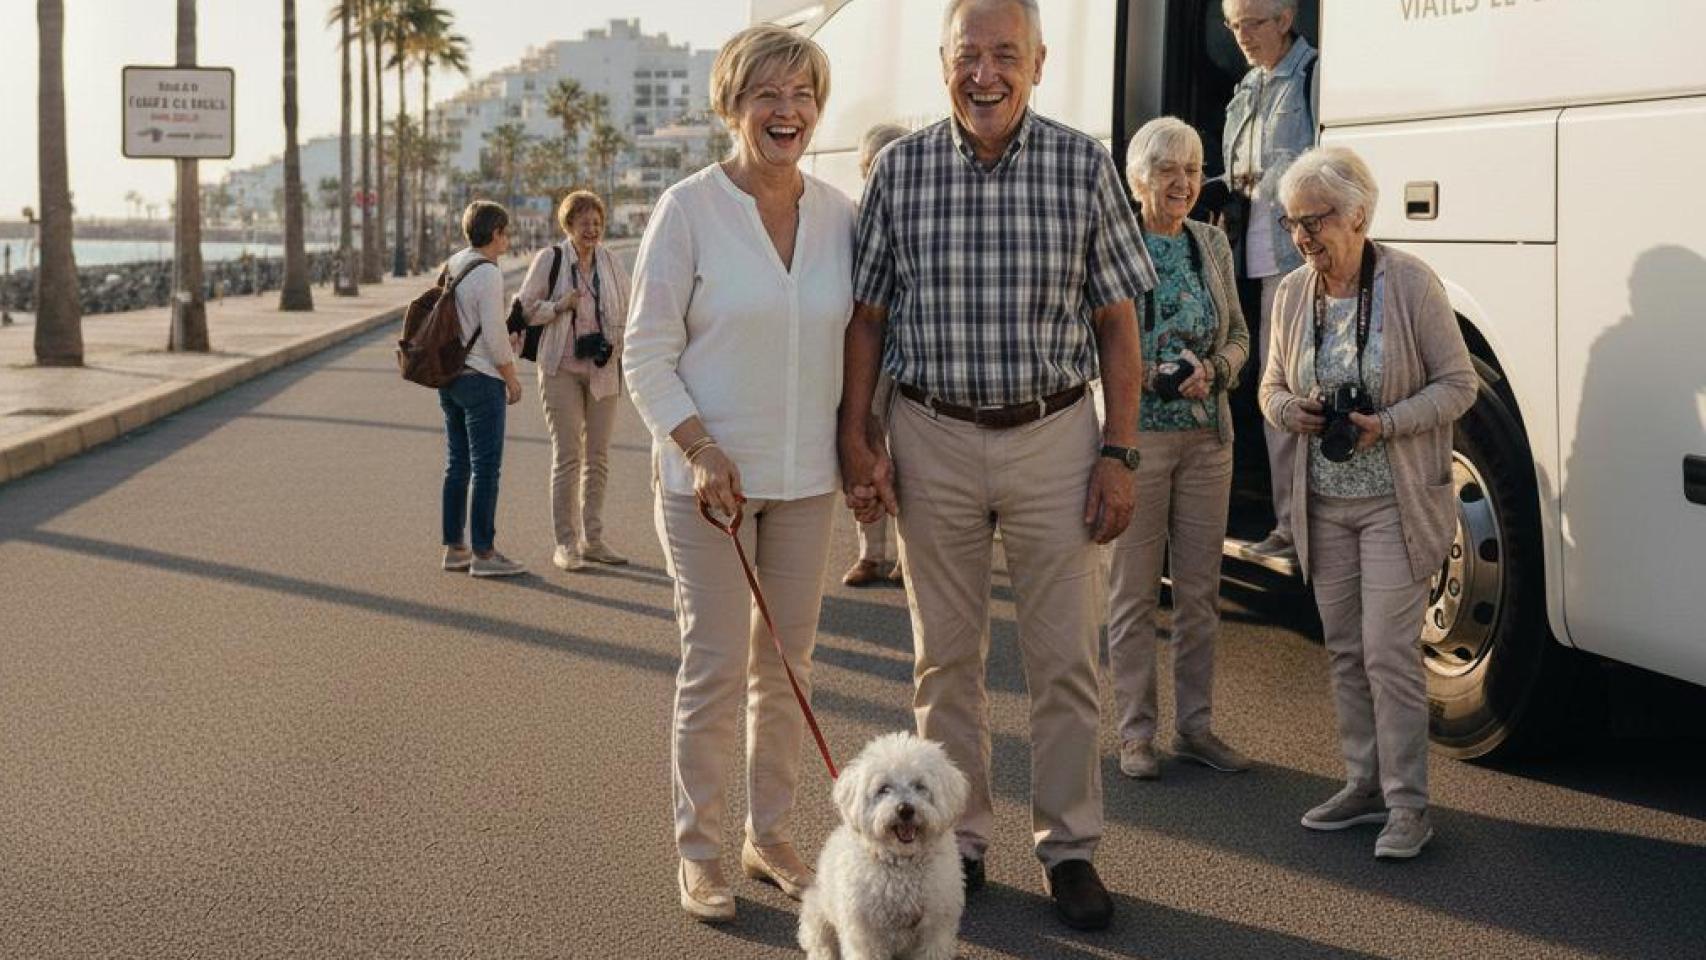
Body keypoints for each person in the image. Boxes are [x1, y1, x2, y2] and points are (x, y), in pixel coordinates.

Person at [838, 0, 1155, 931]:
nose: (986, 73)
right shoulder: (899, 170)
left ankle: (1070, 850)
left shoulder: (1084, 164)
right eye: (967, 54)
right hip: (930, 434)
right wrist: (858, 437)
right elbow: (868, 320)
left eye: (1004, 55)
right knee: (947, 660)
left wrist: (1118, 452)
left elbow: (1116, 327)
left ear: (1040, 63)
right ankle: (960, 843)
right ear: (942, 64)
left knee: (1064, 661)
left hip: (1054, 436)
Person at [623, 25, 854, 923]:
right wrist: (697, 447)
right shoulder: (687, 209)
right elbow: (646, 351)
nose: (785, 110)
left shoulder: (840, 212)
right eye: (766, 93)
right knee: (716, 668)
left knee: (786, 667)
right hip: (706, 483)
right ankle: (701, 852)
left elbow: (857, 338)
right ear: (733, 105)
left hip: (805, 481)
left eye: (800, 93)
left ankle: (772, 834)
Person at [1259, 145, 1475, 860]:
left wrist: (1388, 423)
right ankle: (1363, 784)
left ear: (1357, 214)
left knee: (1388, 654)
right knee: (1346, 652)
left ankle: (1410, 807)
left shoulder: (1411, 284)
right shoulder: (1293, 293)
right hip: (1323, 500)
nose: (1302, 237)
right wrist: (1295, 412)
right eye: (1292, 223)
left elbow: (1458, 384)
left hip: (1394, 500)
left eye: (1313, 220)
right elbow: (1268, 388)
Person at [1106, 117, 1251, 781]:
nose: (1184, 184)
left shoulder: (1211, 243)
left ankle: (1196, 727)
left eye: (1192, 171)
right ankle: (1136, 734)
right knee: (1133, 595)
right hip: (1138, 441)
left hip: (1206, 439)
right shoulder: (1115, 242)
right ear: (1139, 178)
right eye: (1169, 172)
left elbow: (1242, 337)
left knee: (1199, 592)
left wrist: (1214, 371)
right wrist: (1135, 372)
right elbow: (1094, 336)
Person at [1218, 0, 1318, 564]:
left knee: (1292, 392)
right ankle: (1288, 521)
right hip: (1249, 261)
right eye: (1233, 26)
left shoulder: (1310, 75)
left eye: (1252, 23)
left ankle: (1297, 527)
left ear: (1285, 18)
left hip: (1294, 259)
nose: (1241, 36)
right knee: (1271, 393)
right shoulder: (1247, 88)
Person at [516, 190, 632, 572]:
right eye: (585, 224)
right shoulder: (550, 260)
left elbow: (632, 309)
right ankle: (565, 543)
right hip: (560, 368)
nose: (592, 229)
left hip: (602, 368)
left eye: (597, 223)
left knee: (597, 458)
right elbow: (523, 312)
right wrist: (558, 306)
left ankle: (593, 539)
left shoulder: (612, 264)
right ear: (568, 226)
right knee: (568, 456)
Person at [439, 200, 525, 578]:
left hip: (451, 376)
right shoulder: (489, 273)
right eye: (506, 232)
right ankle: (485, 554)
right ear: (496, 234)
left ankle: (455, 548)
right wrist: (512, 377)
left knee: (457, 464)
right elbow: (494, 334)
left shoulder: (455, 263)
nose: (508, 239)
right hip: (481, 379)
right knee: (486, 469)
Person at [841, 121, 910, 587]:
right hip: (861, 351)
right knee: (864, 445)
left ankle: (909, 554)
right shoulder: (846, 217)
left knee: (909, 455)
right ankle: (871, 553)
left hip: (910, 356)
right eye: (875, 164)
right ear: (865, 167)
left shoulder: (924, 212)